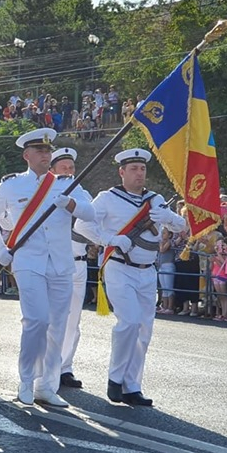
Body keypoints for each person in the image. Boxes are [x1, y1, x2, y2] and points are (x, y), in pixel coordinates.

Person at [0, 128, 95, 408]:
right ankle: (26, 379)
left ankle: (47, 385)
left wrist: (70, 204)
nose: (46, 155)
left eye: (48, 151)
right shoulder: (11, 185)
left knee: (57, 325)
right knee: (37, 320)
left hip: (60, 262)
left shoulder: (67, 183)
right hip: (28, 261)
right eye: (40, 151)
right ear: (27, 155)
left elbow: (92, 213)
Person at [76, 148, 186, 407]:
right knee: (129, 322)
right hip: (119, 267)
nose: (139, 173)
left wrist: (169, 217)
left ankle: (132, 385)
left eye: (143, 169)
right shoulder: (107, 198)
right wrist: (110, 239)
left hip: (148, 271)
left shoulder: (156, 199)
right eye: (134, 169)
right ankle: (115, 379)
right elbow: (82, 225)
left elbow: (181, 227)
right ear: (121, 172)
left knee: (144, 330)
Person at [48, 147, 94, 391]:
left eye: (71, 167)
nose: (69, 171)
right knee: (54, 318)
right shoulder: (47, 191)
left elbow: (92, 216)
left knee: (73, 321)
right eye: (63, 167)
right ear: (52, 170)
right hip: (57, 262)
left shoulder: (81, 192)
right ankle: (49, 368)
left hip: (79, 262)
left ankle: (65, 367)